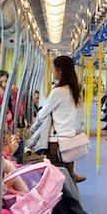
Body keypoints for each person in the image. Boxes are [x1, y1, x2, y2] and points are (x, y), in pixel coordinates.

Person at [36, 55, 86, 183]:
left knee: (56, 181)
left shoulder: (58, 92)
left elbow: (41, 115)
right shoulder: (74, 90)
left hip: (57, 142)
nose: (53, 71)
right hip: (70, 140)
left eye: (54, 68)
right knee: (68, 178)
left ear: (60, 70)